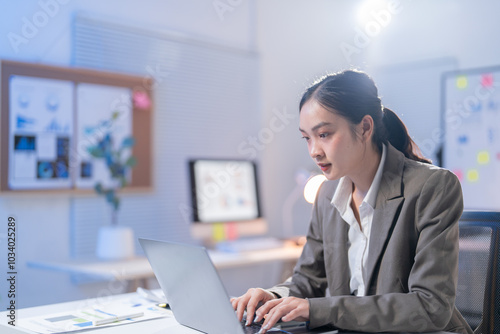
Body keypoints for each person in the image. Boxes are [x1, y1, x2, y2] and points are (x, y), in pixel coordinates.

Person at [231, 70, 473, 334]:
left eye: (324, 134)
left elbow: (431, 307)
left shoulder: (432, 187)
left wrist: (319, 310)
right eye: (307, 138)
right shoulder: (326, 195)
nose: (314, 151)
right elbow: (307, 279)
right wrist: (274, 297)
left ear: (365, 127)